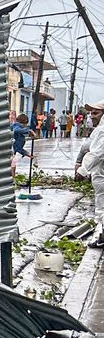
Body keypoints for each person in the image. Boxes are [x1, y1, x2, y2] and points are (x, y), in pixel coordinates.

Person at [76, 101, 104, 247]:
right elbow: (87, 146)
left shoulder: (103, 130)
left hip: (102, 175)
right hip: (99, 174)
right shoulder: (98, 130)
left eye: (96, 113)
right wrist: (78, 161)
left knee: (102, 207)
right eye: (91, 113)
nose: (91, 116)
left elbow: (97, 153)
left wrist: (82, 170)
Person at [12, 113, 35, 179]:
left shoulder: (19, 129)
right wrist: (29, 130)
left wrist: (28, 154)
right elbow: (16, 130)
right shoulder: (16, 126)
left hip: (12, 151)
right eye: (26, 124)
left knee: (13, 165)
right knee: (12, 166)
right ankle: (11, 181)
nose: (26, 125)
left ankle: (12, 180)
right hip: (10, 151)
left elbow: (18, 147)